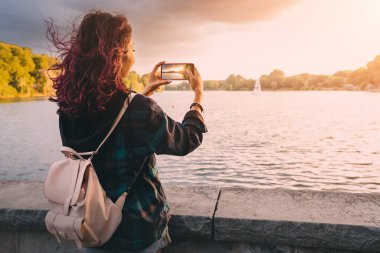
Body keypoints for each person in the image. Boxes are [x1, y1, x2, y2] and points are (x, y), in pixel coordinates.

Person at [47, 10, 207, 253]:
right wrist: (198, 98)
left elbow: (111, 124)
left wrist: (144, 93)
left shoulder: (70, 105)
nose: (134, 55)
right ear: (119, 55)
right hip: (137, 233)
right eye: (133, 49)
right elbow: (185, 140)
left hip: (89, 224)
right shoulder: (140, 111)